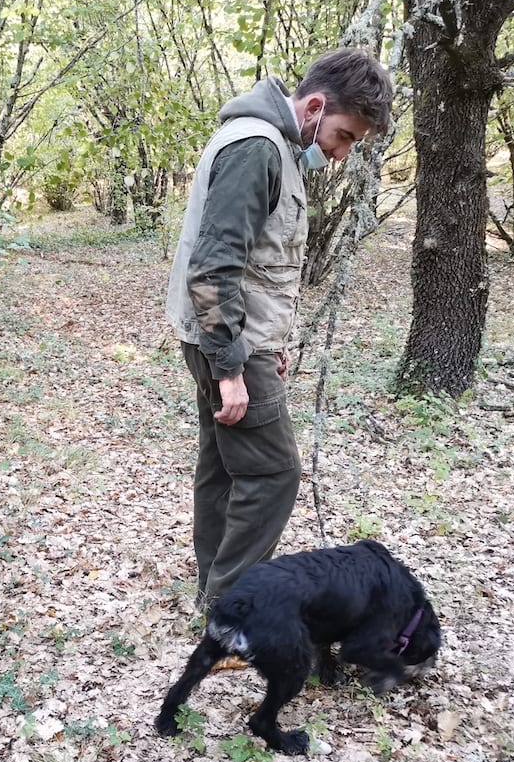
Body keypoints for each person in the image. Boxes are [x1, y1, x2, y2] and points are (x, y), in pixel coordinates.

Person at [164, 48, 393, 610]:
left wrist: (270, 341)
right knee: (274, 476)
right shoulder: (256, 149)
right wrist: (234, 367)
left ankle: (212, 594)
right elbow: (214, 269)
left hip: (232, 339)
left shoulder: (273, 147)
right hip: (224, 343)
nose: (339, 154)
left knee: (222, 467)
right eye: (342, 136)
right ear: (314, 106)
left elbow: (258, 261)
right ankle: (233, 606)